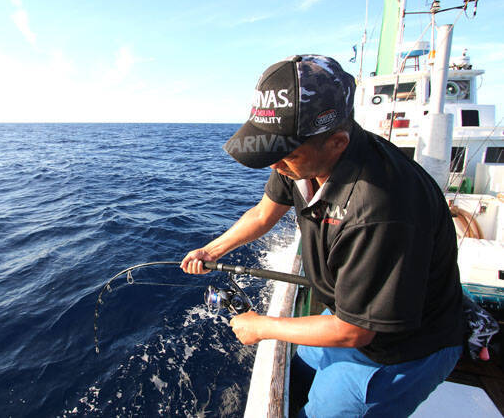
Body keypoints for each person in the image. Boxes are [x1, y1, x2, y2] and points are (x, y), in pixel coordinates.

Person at [181, 55, 464, 417]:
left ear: (337, 143)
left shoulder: (379, 209)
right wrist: (212, 250)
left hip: (398, 350)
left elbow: (354, 332)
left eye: (282, 153)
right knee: (298, 378)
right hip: (347, 311)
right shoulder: (303, 156)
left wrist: (261, 326)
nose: (273, 164)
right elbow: (264, 213)